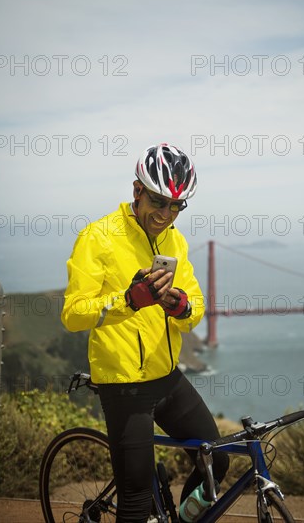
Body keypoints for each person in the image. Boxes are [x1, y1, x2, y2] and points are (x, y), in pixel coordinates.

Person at [61, 143, 229, 523]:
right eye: (158, 200)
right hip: (124, 385)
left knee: (215, 461)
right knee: (135, 497)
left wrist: (180, 305)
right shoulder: (98, 237)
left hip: (167, 377)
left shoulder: (175, 241)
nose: (166, 214)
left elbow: (194, 310)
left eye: (176, 205)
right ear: (137, 190)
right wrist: (129, 300)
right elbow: (73, 314)